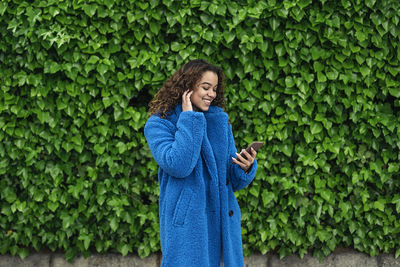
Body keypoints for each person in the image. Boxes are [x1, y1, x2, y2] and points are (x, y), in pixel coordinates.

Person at [144, 59, 258, 267]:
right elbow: (178, 165)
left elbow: (231, 180)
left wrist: (245, 166)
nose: (212, 94)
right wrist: (188, 119)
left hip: (222, 219)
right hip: (189, 223)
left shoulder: (219, 121)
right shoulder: (159, 123)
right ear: (187, 86)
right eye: (205, 87)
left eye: (214, 89)